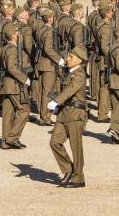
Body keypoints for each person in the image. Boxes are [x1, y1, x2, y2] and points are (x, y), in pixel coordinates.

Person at [47, 45, 88, 189]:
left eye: (71, 57)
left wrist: (56, 100)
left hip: (76, 114)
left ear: (80, 60)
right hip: (64, 113)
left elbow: (71, 90)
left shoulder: (79, 74)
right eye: (68, 56)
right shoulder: (68, 72)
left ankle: (78, 178)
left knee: (76, 147)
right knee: (54, 142)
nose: (68, 58)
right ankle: (68, 170)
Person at [0, 24, 30, 150]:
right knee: (24, 110)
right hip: (14, 85)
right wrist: (24, 79)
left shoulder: (5, 48)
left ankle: (6, 141)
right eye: (16, 32)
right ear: (12, 36)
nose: (18, 34)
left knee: (8, 112)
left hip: (7, 84)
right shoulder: (12, 49)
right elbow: (11, 68)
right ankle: (12, 138)